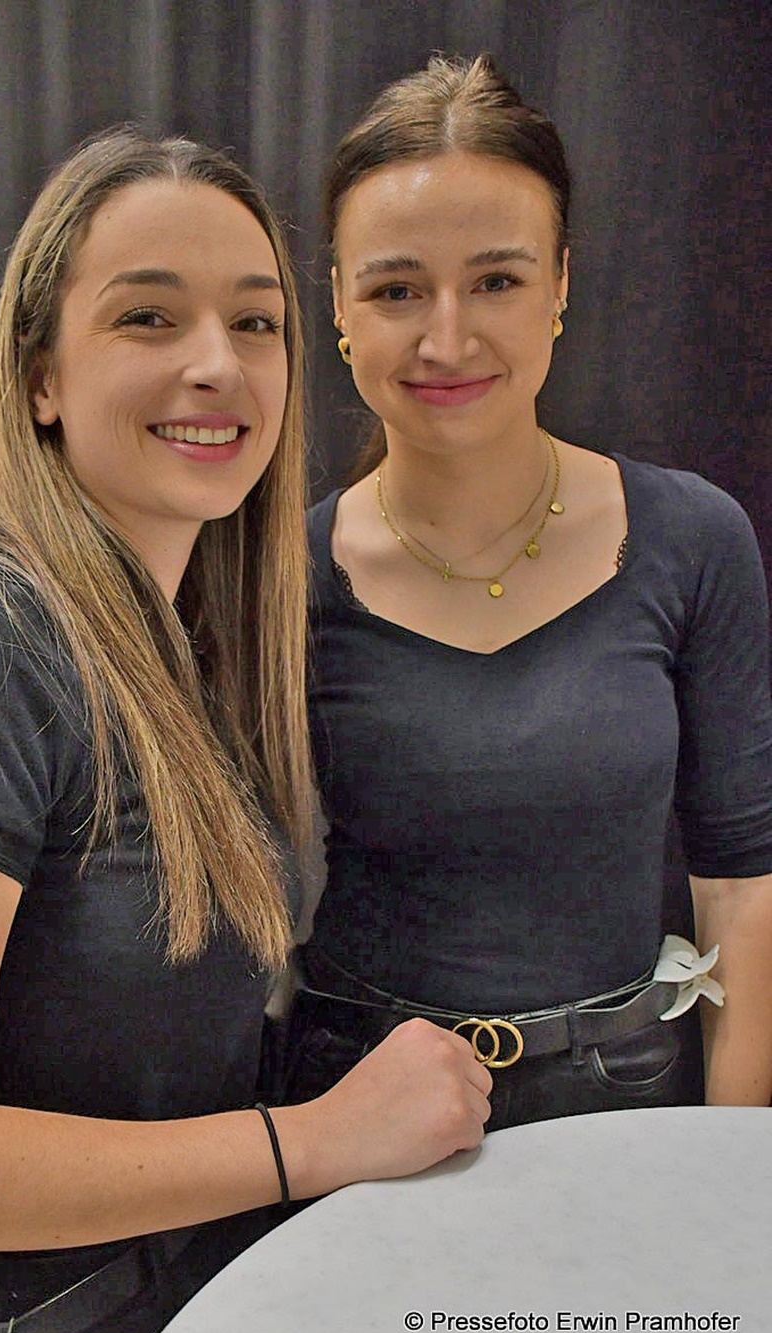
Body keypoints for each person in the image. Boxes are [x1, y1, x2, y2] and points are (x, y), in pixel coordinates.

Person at [0, 128, 492, 1333]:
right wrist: (315, 1140)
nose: (216, 364)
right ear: (40, 378)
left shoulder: (183, 640)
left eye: (255, 321)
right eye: (148, 318)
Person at [279, 54, 772, 1128]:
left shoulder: (693, 538)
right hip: (357, 1110)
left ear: (560, 285)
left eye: (496, 281)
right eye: (397, 289)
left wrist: (732, 1164)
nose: (447, 337)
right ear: (339, 305)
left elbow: (741, 882)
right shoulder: (281, 576)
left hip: (628, 1105)